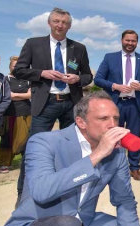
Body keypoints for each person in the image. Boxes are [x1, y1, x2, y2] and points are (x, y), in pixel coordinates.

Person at [2, 91, 140, 226]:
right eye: (103, 118)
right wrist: (98, 154)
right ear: (81, 122)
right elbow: (41, 191)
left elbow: (124, 200)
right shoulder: (44, 142)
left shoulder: (117, 154)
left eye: (116, 118)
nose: (113, 125)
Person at [13, 7, 93, 202]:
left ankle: (68, 191)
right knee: (34, 149)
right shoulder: (33, 44)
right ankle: (24, 195)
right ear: (49, 23)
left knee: (72, 149)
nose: (60, 25)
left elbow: (88, 76)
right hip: (45, 103)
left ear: (69, 25)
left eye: (64, 22)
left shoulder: (79, 48)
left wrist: (77, 78)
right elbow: (19, 71)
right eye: (56, 21)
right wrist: (42, 73)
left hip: (71, 104)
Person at [95, 29, 140, 181]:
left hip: (136, 104)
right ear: (122, 40)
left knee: (134, 136)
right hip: (115, 105)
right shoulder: (110, 58)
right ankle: (112, 166)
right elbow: (98, 79)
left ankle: (134, 167)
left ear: (137, 42)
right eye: (127, 40)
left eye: (133, 41)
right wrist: (115, 86)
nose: (130, 43)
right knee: (113, 136)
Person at [0, 56, 31, 174]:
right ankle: (4, 163)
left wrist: (14, 95)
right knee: (7, 138)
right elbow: (7, 96)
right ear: (10, 66)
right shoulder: (5, 79)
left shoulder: (27, 80)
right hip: (9, 113)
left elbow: (30, 95)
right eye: (14, 65)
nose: (17, 68)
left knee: (27, 139)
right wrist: (22, 95)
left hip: (27, 112)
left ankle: (26, 161)